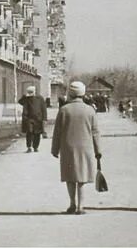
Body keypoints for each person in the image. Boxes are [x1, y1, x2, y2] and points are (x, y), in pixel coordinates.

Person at [51, 81, 102, 215]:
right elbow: (95, 132)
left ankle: (72, 204)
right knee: (82, 177)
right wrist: (98, 150)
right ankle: (81, 206)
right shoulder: (90, 110)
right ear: (83, 93)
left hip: (67, 147)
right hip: (85, 147)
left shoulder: (64, 110)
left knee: (70, 177)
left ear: (71, 93)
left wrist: (54, 149)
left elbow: (57, 131)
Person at [18, 86, 47, 153]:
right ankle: (29, 147)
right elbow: (20, 102)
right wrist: (24, 96)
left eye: (31, 92)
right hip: (29, 119)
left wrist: (45, 118)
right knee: (29, 132)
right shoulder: (26, 98)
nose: (30, 93)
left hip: (38, 119)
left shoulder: (40, 98)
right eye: (29, 92)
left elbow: (44, 108)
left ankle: (35, 147)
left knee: (37, 133)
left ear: (34, 92)